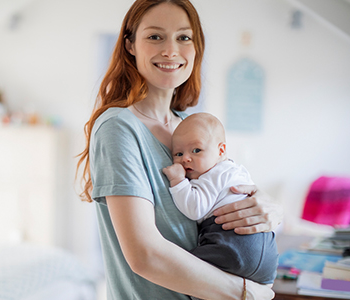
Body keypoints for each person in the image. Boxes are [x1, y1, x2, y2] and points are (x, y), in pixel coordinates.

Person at [76, 0, 283, 299]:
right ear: (130, 45)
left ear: (196, 47)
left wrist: (273, 210)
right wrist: (244, 293)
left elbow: (231, 186)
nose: (171, 50)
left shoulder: (189, 126)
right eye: (155, 36)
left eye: (183, 37)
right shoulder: (119, 127)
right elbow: (145, 255)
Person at [162, 112, 278, 285]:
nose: (185, 158)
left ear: (221, 150)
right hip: (267, 254)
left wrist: (178, 181)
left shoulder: (212, 175)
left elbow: (195, 209)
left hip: (233, 245)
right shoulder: (235, 170)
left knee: (184, 272)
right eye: (178, 153)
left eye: (196, 150)